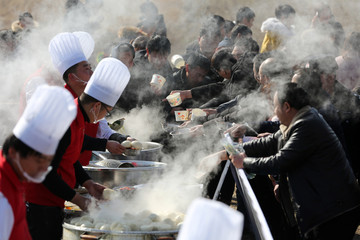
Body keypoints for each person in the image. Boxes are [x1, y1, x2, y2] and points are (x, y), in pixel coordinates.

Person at [229, 83, 360, 239]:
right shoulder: (301, 119)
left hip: (333, 212)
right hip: (327, 208)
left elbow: (280, 162)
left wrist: (244, 162)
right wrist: (235, 150)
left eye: (275, 106)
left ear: (287, 107)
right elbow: (271, 141)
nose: (274, 111)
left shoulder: (307, 124)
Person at [26, 56, 131, 239]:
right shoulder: (66, 119)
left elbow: (70, 158)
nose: (105, 116)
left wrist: (88, 183)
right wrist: (78, 200)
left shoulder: (79, 117)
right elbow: (46, 172)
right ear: (96, 106)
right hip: (40, 204)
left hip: (53, 201)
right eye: (107, 111)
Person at [0, 85, 77, 240]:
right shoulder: (3, 198)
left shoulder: (18, 179)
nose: (44, 167)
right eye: (39, 159)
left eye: (48, 161)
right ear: (14, 152)